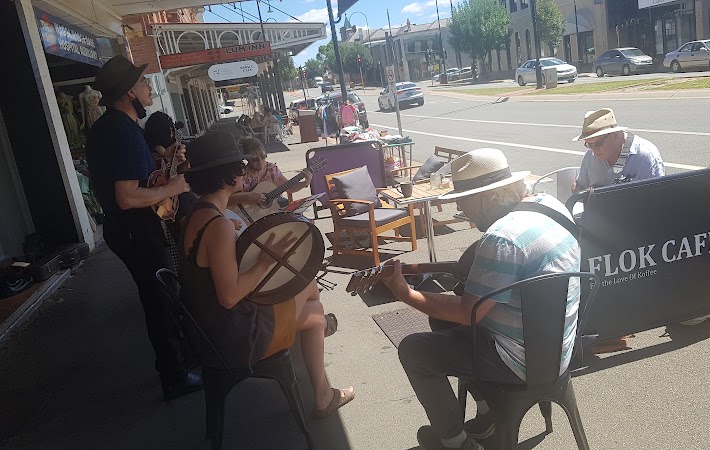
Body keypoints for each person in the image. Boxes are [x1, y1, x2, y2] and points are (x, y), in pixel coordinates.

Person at [383, 148, 580, 450]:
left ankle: (456, 442)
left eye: (463, 201)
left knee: (414, 350)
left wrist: (404, 293)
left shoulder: (503, 236)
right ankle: (488, 414)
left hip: (519, 362)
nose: (461, 209)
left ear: (485, 197)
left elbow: (467, 312)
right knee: (440, 317)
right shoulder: (550, 206)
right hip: (559, 349)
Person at [181, 131, 354, 417]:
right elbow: (229, 296)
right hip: (234, 337)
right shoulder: (219, 225)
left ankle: (323, 382)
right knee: (313, 305)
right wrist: (264, 262)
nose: (245, 169)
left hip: (209, 332)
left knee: (312, 301)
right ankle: (323, 394)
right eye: (240, 165)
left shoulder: (198, 214)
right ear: (228, 175)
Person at [86, 55, 201, 401]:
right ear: (128, 93)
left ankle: (178, 362)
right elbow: (126, 195)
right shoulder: (123, 132)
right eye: (143, 82)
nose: (149, 86)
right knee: (160, 300)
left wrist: (167, 166)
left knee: (162, 296)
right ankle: (175, 375)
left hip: (129, 230)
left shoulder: (116, 128)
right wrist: (175, 188)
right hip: (136, 230)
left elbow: (139, 180)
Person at [572, 108, 665, 192]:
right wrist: (584, 194)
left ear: (615, 135)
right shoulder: (590, 155)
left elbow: (656, 198)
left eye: (598, 144)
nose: (594, 151)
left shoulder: (645, 157)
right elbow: (579, 184)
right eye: (589, 144)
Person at [229, 136, 312, 210]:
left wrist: (305, 183)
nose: (260, 162)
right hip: (248, 216)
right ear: (247, 158)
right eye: (255, 159)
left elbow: (290, 188)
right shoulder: (242, 174)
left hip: (269, 212)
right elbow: (228, 199)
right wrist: (249, 197)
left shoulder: (271, 169)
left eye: (263, 156)